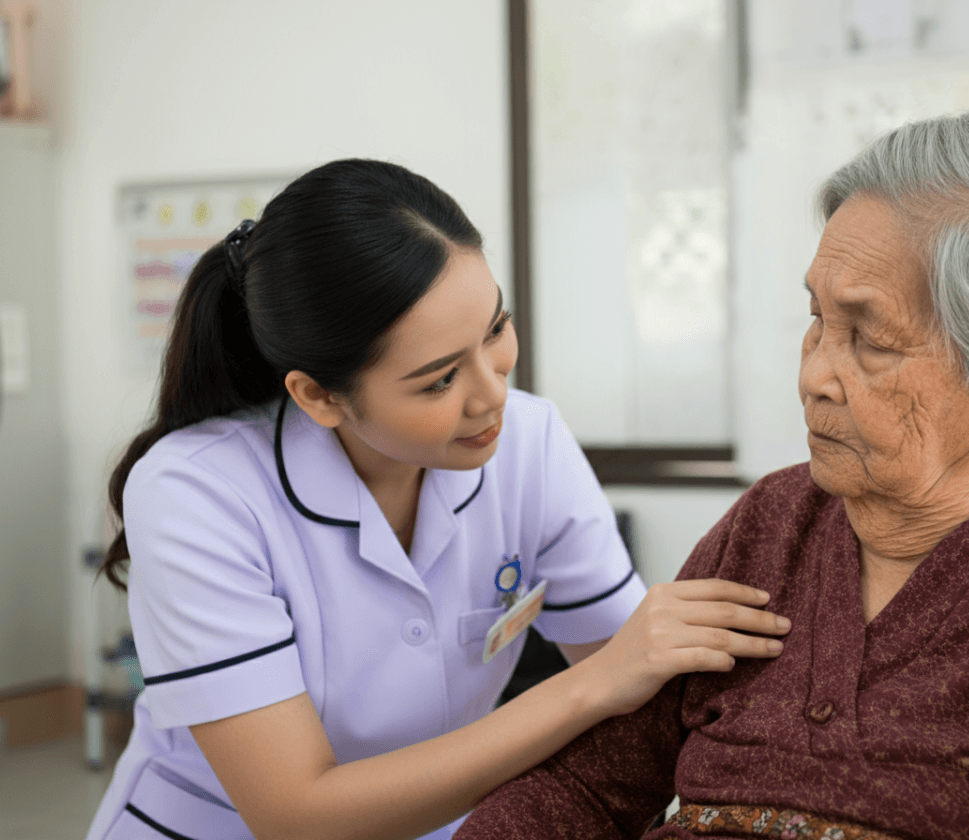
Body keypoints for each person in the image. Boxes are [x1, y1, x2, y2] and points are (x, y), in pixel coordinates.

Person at [453, 112, 969, 839]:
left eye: (870, 338)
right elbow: (588, 788)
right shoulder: (770, 524)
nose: (814, 374)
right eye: (816, 319)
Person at [84, 159, 792, 840]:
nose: (493, 394)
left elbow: (639, 684)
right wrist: (593, 685)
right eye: (438, 381)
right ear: (320, 396)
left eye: (495, 330)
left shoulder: (530, 443)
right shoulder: (196, 492)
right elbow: (296, 815)